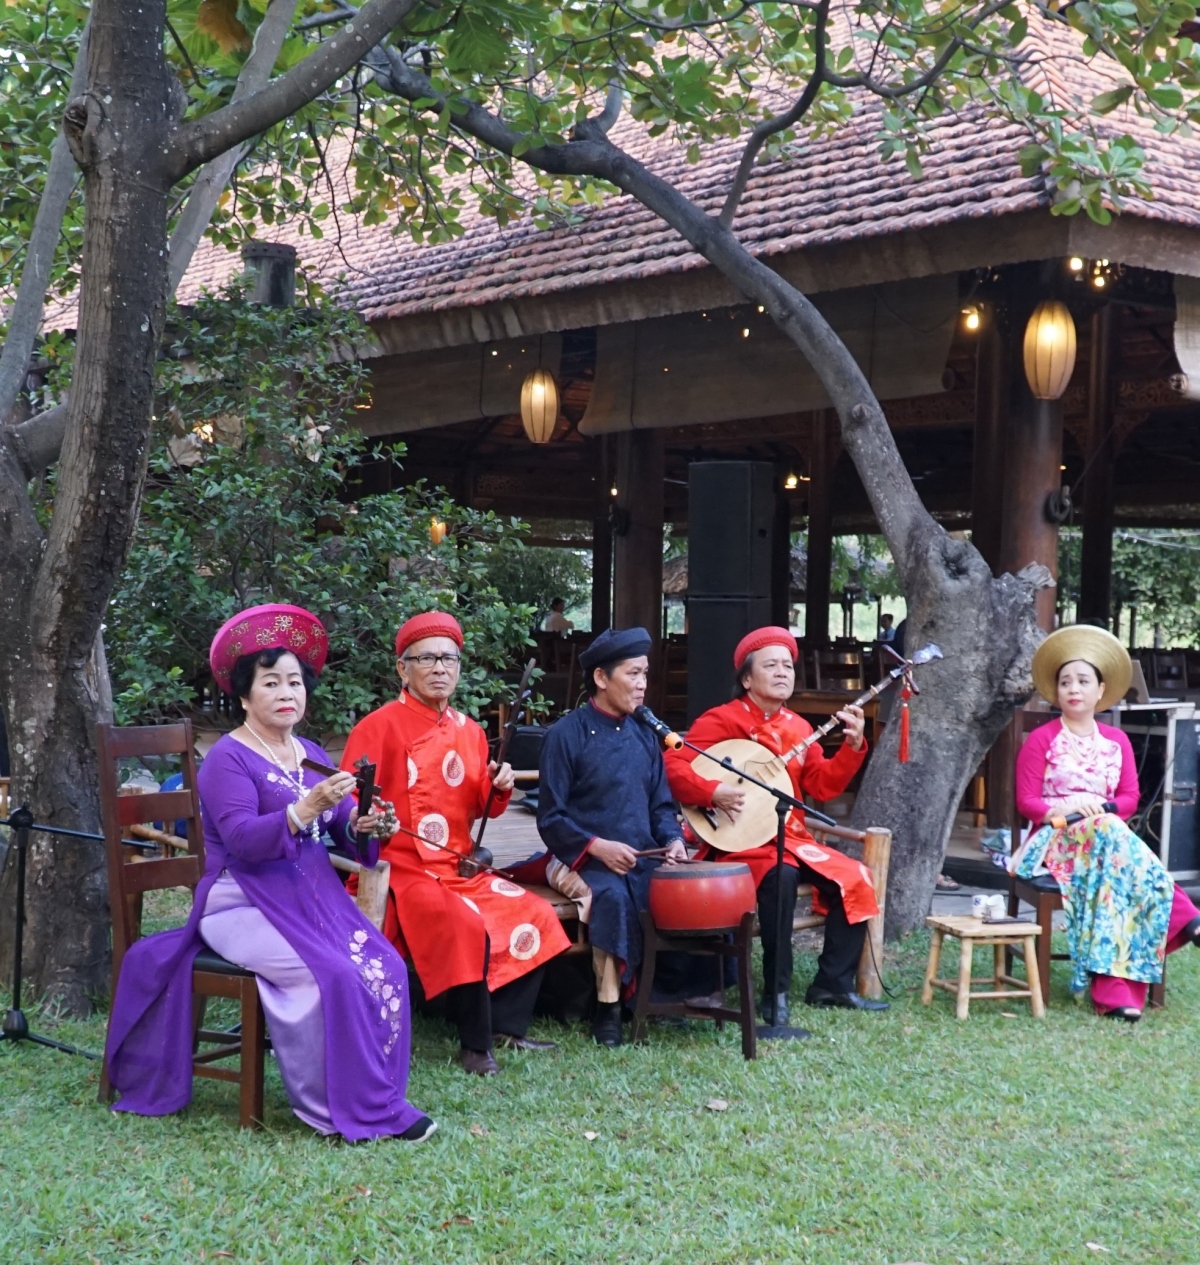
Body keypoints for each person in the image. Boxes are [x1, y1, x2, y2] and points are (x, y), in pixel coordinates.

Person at [105, 604, 434, 1142]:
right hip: (239, 902)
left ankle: (378, 1097)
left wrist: (370, 823)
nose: (287, 693)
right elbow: (241, 841)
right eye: (271, 682)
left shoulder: (309, 752)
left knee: (386, 965)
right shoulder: (227, 759)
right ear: (243, 695)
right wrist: (305, 809)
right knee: (330, 974)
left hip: (309, 898)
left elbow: (345, 828)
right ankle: (331, 1109)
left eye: (295, 682)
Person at [340, 612, 570, 1076]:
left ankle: (507, 1025)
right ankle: (474, 1044)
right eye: (427, 659)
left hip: (458, 863)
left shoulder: (469, 730)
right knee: (462, 922)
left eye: (449, 659)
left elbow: (480, 807)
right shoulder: (378, 726)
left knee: (534, 912)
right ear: (403, 669)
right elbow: (348, 796)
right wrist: (361, 819)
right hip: (401, 866)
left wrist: (499, 786)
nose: (440, 668)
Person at [665, 627, 888, 1022]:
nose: (783, 672)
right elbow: (673, 765)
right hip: (743, 842)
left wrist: (852, 748)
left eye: (787, 665)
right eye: (771, 665)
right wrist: (712, 791)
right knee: (781, 879)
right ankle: (775, 992)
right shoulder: (721, 720)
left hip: (793, 837)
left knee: (855, 876)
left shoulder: (798, 727)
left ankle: (831, 984)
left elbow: (821, 784)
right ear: (747, 679)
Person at [1011, 625, 1200, 1021]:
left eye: (1083, 681)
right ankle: (1181, 914)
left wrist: (1101, 808)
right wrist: (1069, 810)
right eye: (1065, 682)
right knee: (1115, 838)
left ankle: (1115, 992)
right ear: (1056, 691)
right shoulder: (1042, 739)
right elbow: (1027, 802)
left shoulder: (1117, 741)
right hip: (1055, 839)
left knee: (1114, 862)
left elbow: (1130, 798)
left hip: (1105, 844)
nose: (1073, 689)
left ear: (1100, 690)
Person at [537, 626, 690, 1047]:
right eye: (632, 674)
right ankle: (608, 1008)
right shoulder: (564, 735)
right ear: (601, 678)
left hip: (641, 855)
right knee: (613, 897)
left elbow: (661, 806)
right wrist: (597, 847)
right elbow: (550, 819)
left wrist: (673, 840)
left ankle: (661, 995)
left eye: (645, 674)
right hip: (577, 857)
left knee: (682, 889)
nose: (642, 684)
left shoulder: (645, 734)